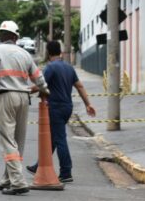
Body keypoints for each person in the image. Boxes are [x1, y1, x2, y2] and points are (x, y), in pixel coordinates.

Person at [0, 21, 48, 195]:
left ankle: (18, 181)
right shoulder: (25, 54)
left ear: (2, 35)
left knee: (7, 140)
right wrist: (45, 91)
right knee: (18, 140)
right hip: (24, 98)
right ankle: (7, 178)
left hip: (5, 96)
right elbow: (38, 77)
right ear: (16, 37)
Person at [26, 41, 96, 183]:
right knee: (53, 138)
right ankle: (39, 166)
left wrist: (26, 91)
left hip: (55, 107)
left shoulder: (51, 67)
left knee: (60, 139)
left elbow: (40, 85)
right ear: (60, 52)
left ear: (48, 52)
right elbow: (79, 86)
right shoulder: (69, 67)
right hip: (67, 107)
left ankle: (66, 171)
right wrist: (88, 104)